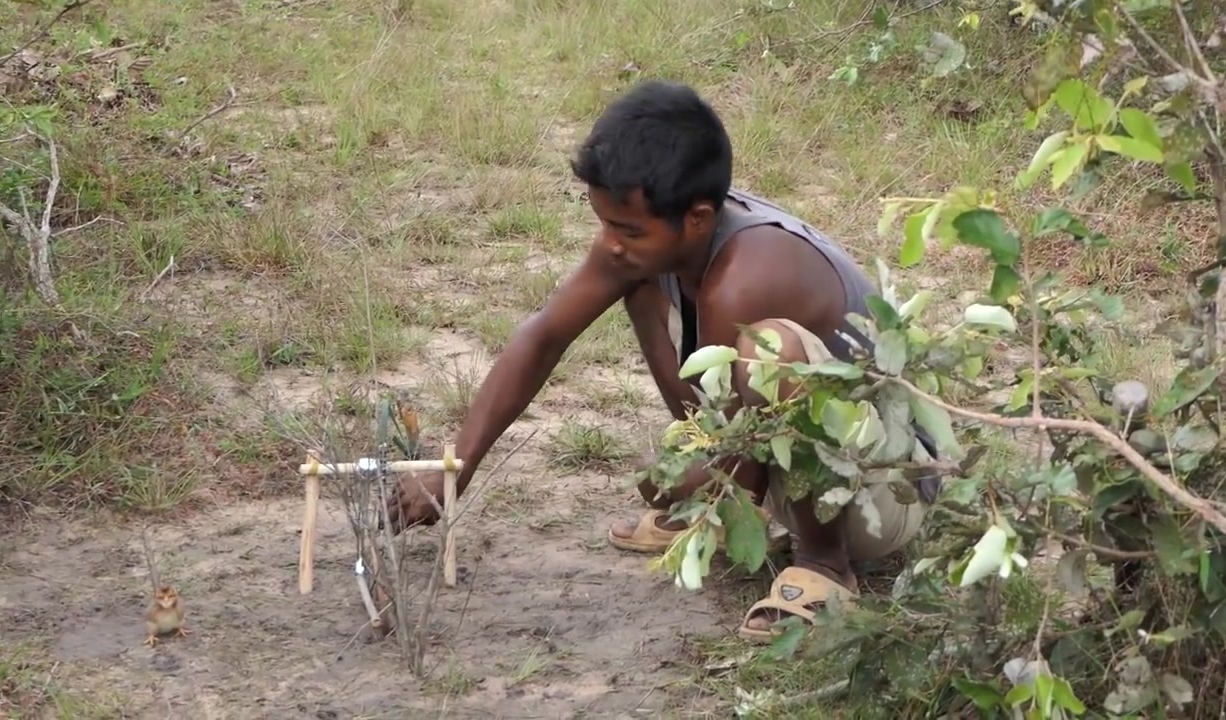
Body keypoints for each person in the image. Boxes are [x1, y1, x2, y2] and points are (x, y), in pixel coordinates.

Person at [386, 79, 940, 641]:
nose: (610, 243)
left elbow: (744, 459)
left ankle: (825, 565)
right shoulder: (653, 238)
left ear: (696, 219)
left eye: (626, 229)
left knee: (770, 351)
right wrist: (455, 466)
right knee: (640, 291)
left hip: (878, 494)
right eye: (603, 222)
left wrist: (686, 490)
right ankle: (722, 514)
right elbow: (543, 337)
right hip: (775, 459)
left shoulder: (748, 277)